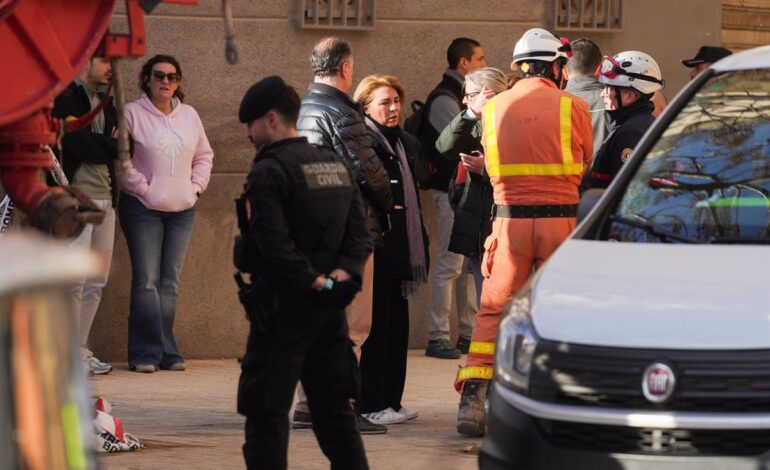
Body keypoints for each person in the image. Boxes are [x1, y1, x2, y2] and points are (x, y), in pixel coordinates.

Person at [455, 28, 593, 436]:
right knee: (557, 310)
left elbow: (493, 165)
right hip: (560, 221)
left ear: (519, 66)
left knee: (493, 307)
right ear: (555, 66)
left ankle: (474, 399)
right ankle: (554, 400)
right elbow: (584, 160)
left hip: (509, 221)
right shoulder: (575, 106)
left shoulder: (493, 109)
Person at [235, 75, 371, 470]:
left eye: (251, 123)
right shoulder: (332, 163)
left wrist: (312, 282)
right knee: (335, 416)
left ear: (272, 119)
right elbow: (359, 234)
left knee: (267, 416)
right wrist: (341, 279)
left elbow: (273, 245)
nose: (248, 132)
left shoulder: (269, 171)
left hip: (282, 310)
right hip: (330, 313)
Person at [294, 36, 391, 433]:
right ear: (346, 69)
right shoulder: (341, 111)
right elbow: (369, 173)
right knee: (351, 324)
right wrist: (387, 203)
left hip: (310, 227)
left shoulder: (301, 108)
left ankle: (306, 406)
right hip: (346, 230)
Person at [117, 54, 214, 373]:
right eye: (159, 76)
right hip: (142, 208)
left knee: (169, 282)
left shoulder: (190, 116)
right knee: (146, 281)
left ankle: (166, 350)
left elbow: (204, 156)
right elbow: (122, 160)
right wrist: (145, 190)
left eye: (173, 77)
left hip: (182, 210)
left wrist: (195, 188)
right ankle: (145, 353)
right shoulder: (130, 113)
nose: (166, 82)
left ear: (179, 81)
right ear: (146, 78)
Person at [353, 74, 429, 425]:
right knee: (376, 332)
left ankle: (392, 401)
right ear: (366, 106)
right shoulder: (364, 142)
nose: (394, 108)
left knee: (397, 330)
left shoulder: (405, 143)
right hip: (379, 247)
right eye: (385, 102)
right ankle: (371, 403)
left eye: (397, 101)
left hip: (402, 249)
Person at [421, 37, 487, 359]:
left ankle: (466, 333)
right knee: (449, 265)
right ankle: (437, 335)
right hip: (449, 192)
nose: (484, 65)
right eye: (480, 59)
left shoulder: (449, 96)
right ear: (464, 64)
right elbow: (454, 141)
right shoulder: (445, 99)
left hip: (462, 193)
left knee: (463, 265)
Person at [53, 54, 117, 375]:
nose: (110, 67)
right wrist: (108, 144)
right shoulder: (67, 97)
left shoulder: (108, 101)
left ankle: (80, 349)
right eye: (104, 59)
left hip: (108, 198)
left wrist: (104, 145)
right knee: (75, 279)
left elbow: (121, 149)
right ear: (86, 61)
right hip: (78, 197)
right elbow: (78, 145)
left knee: (96, 279)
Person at [435, 67, 509, 305]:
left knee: (501, 302)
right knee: (483, 299)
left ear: (488, 93)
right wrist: (468, 115)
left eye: (470, 94)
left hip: (504, 222)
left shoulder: (514, 121)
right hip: (478, 222)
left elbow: (521, 172)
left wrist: (484, 169)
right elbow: (444, 147)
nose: (465, 100)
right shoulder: (474, 122)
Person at [589, 51, 665, 188]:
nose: (602, 94)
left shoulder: (630, 132)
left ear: (629, 96)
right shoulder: (640, 124)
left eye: (609, 88)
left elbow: (623, 189)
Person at [565, 38, 607, 158]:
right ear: (599, 69)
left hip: (570, 176)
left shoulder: (554, 103)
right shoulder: (613, 100)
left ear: (564, 70)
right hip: (609, 176)